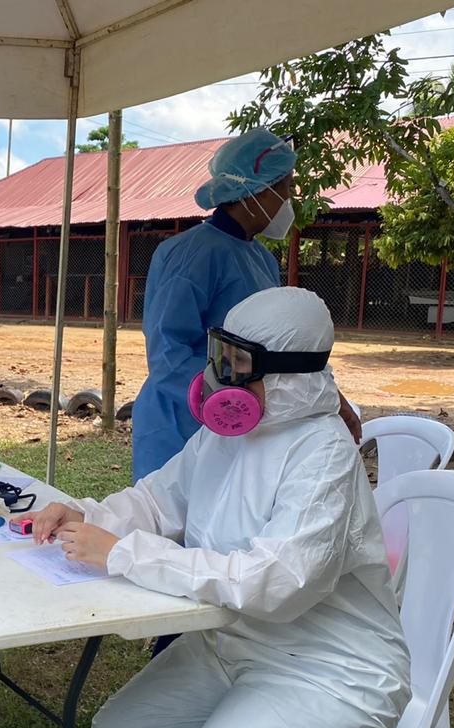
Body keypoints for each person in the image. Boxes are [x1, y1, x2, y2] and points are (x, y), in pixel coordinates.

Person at [33, 287, 413, 728]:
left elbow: (275, 584)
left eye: (238, 366)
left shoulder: (323, 454)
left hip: (336, 671)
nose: (219, 379)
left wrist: (124, 554)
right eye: (219, 357)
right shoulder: (222, 435)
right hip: (235, 645)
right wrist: (85, 517)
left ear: (293, 377)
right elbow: (156, 499)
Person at [132, 127, 361, 484]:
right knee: (167, 523)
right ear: (256, 190)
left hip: (241, 419)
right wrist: (236, 395)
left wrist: (331, 396)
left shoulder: (261, 259)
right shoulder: (188, 254)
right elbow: (169, 353)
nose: (288, 200)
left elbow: (279, 348)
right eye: (285, 188)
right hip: (182, 419)